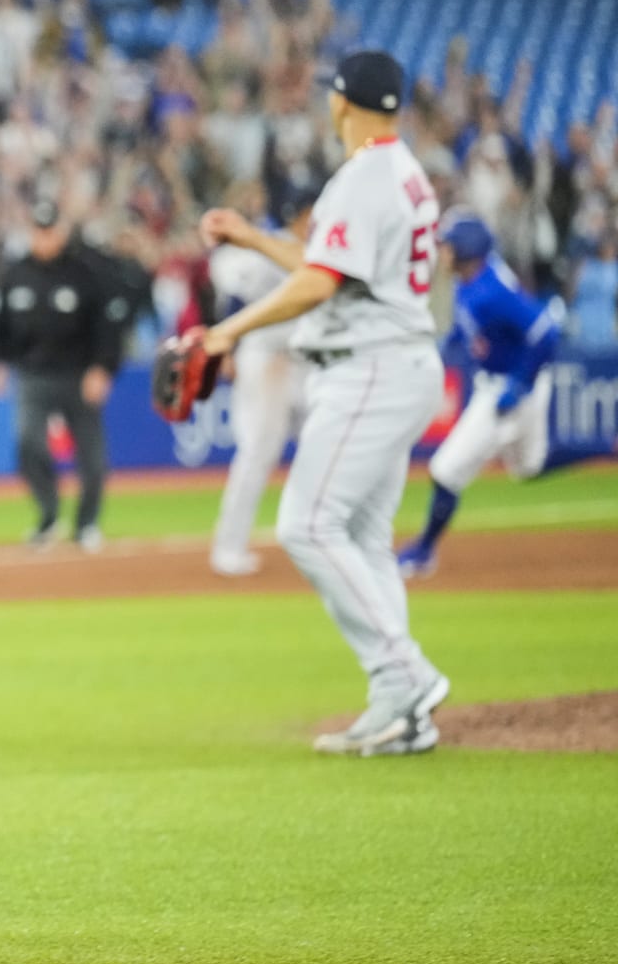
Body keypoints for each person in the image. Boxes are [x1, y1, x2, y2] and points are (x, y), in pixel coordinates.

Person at [197, 50, 448, 757]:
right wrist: (251, 237)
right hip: (395, 364)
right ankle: (401, 714)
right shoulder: (402, 171)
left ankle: (403, 675)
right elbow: (326, 267)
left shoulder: (364, 177)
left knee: (307, 525)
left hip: (369, 368)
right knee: (363, 539)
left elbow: (320, 285)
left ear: (340, 103)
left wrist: (226, 330)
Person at [396, 212, 562, 577]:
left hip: (510, 388)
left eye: (449, 246)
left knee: (445, 470)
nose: (443, 252)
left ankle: (423, 552)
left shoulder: (492, 290)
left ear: (468, 251)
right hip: (502, 383)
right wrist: (448, 343)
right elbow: (470, 325)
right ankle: (605, 446)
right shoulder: (469, 281)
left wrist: (520, 383)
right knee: (528, 467)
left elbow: (546, 334)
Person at [0, 198, 132, 551]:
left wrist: (102, 368)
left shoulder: (85, 273)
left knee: (92, 457)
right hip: (33, 375)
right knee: (27, 443)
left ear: (61, 232)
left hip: (78, 375)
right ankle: (49, 514)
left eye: (50, 231)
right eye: (39, 231)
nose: (45, 238)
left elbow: (107, 326)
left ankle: (86, 524)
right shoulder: (15, 274)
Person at [205, 187, 315, 577]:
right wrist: (230, 347)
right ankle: (228, 547)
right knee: (257, 453)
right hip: (266, 358)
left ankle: (317, 534)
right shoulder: (279, 246)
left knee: (323, 444)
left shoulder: (301, 247)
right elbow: (235, 297)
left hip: (301, 360)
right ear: (302, 214)